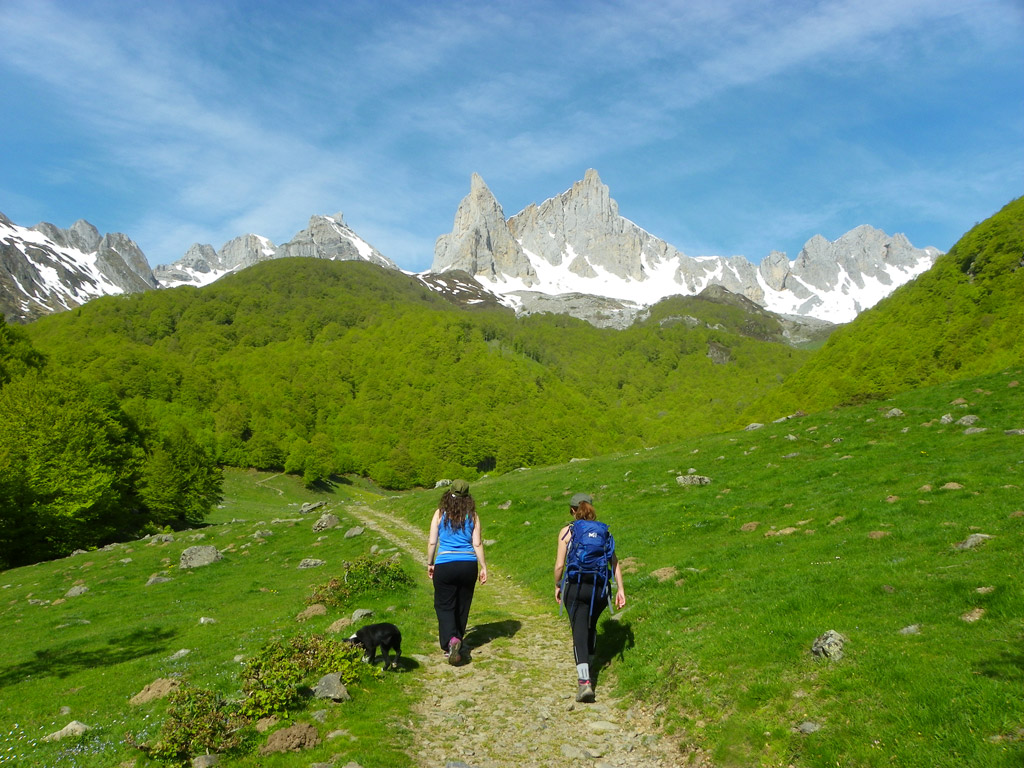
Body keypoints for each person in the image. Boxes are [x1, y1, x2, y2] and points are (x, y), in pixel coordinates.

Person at [554, 492, 626, 702]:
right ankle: (591, 660)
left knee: (579, 631)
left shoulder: (567, 531)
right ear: (591, 509)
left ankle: (585, 683)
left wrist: (557, 585)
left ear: (573, 510)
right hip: (599, 589)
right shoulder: (604, 532)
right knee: (590, 625)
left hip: (575, 587)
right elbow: (614, 562)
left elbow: (560, 565)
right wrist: (620, 589)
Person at [426, 479, 488, 665]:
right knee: (463, 603)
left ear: (448, 494)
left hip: (445, 563)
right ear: (467, 497)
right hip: (468, 564)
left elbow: (432, 542)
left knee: (444, 605)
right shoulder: (473, 515)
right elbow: (477, 543)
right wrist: (483, 566)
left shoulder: (439, 514)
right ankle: (458, 638)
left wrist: (430, 563)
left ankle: (450, 642)